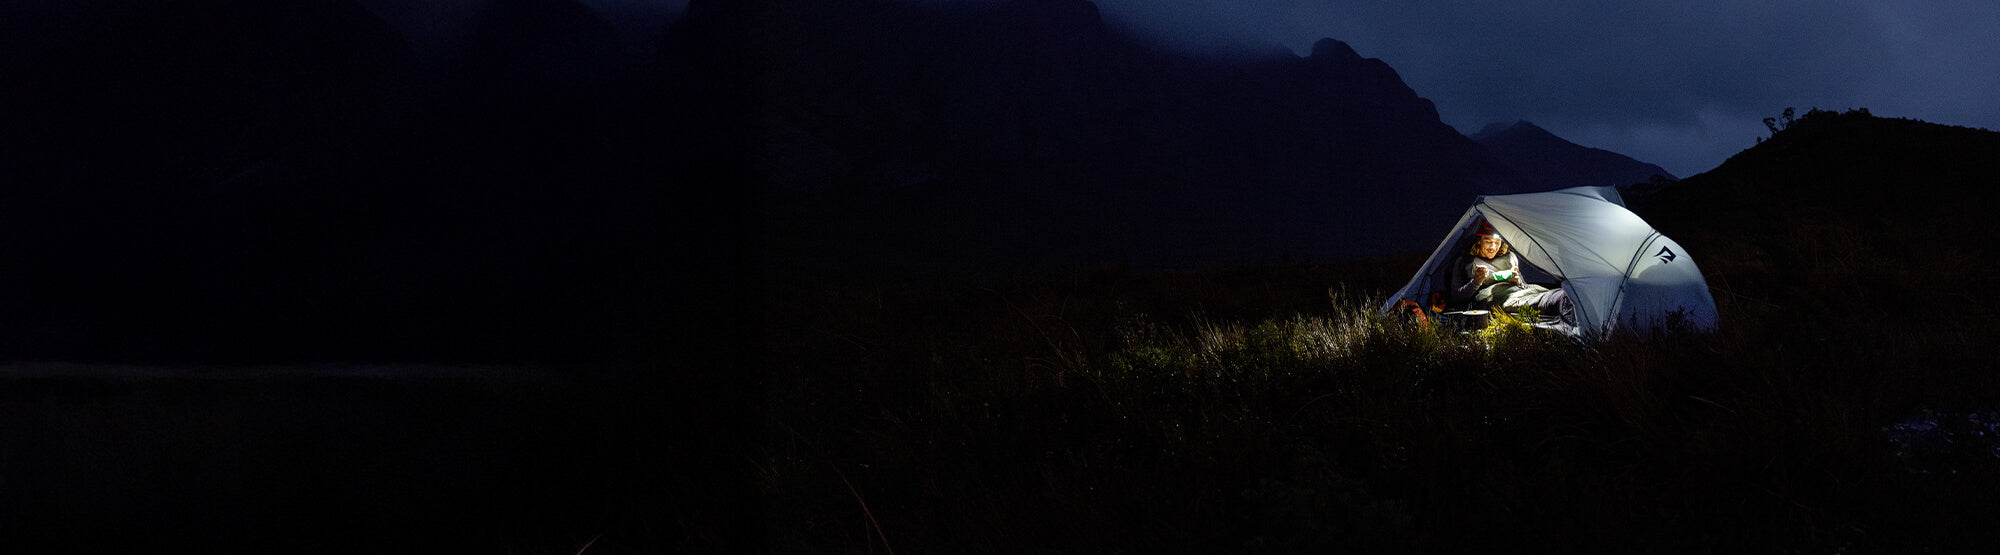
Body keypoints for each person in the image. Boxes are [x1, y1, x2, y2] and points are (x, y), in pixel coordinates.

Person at [1451, 222, 1574, 322]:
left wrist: (1517, 280)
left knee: (1545, 292)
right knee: (1542, 301)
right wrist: (1476, 282)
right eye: (1488, 241)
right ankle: (1562, 301)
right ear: (1479, 240)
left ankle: (1569, 297)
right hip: (1495, 297)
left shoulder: (1509, 257)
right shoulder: (1464, 262)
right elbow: (1456, 297)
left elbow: (1523, 286)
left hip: (1519, 290)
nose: (1493, 247)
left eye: (1497, 242)